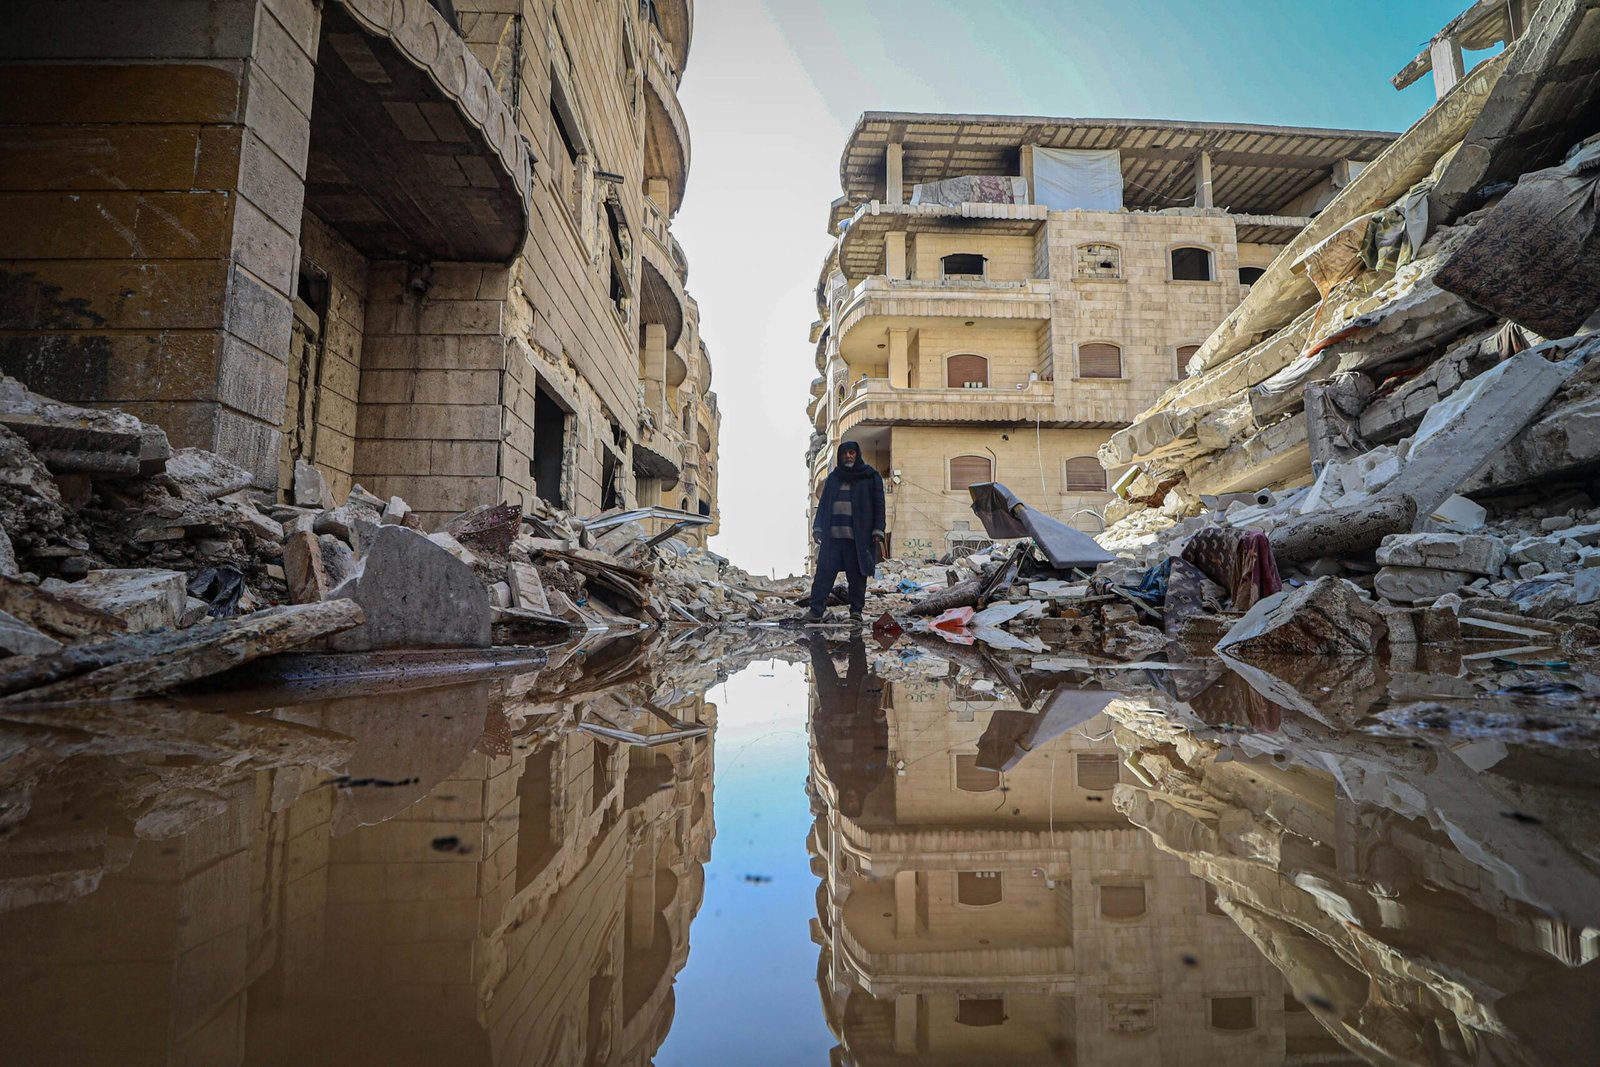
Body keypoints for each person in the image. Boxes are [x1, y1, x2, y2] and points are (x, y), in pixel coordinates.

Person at [807, 439, 886, 625]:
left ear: (857, 455)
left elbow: (879, 504)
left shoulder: (870, 476)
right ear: (840, 457)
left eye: (851, 453)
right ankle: (816, 611)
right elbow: (824, 504)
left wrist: (878, 529)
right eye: (844, 453)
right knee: (823, 575)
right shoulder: (834, 478)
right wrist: (817, 528)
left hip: (858, 538)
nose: (848, 456)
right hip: (833, 538)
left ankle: (856, 612)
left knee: (857, 577)